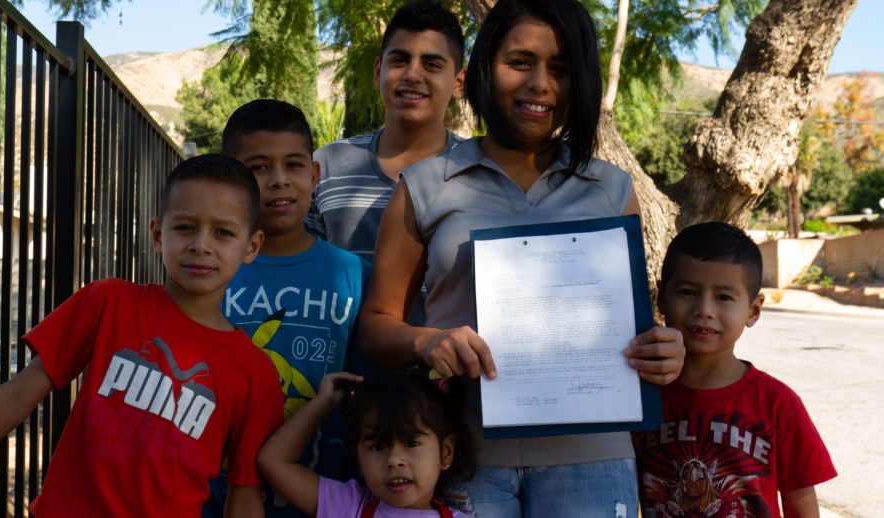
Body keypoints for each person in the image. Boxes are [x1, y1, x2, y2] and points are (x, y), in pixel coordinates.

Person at [358, 0, 686, 515]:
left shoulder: (611, 190)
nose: (540, 83)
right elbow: (376, 327)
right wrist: (427, 341)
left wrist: (663, 350)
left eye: (559, 68)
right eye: (520, 62)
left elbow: (630, 327)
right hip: (462, 456)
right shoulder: (424, 187)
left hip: (592, 461)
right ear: (486, 67)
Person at [0, 155, 284, 517]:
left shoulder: (256, 375)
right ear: (156, 233)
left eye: (222, 232)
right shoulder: (107, 303)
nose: (201, 244)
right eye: (185, 227)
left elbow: (245, 493)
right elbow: (16, 396)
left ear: (251, 246)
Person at [204, 99, 370, 518]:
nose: (279, 181)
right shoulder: (209, 272)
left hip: (323, 491)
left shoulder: (353, 274)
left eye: (294, 165)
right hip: (215, 491)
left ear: (314, 175)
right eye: (259, 168)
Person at [634, 222, 836, 517]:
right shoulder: (635, 395)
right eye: (688, 291)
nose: (704, 308)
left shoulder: (778, 403)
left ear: (753, 311)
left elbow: (801, 499)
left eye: (724, 297)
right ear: (661, 298)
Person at [308, 0, 466, 263]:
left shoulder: (478, 170)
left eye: (432, 65)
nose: (413, 75)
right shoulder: (325, 167)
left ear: (458, 83)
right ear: (378, 71)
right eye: (400, 60)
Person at [257, 371, 477, 517]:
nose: (393, 461)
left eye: (411, 442)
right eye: (378, 447)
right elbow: (273, 461)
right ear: (359, 460)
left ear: (446, 452)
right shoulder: (349, 506)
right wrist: (325, 402)